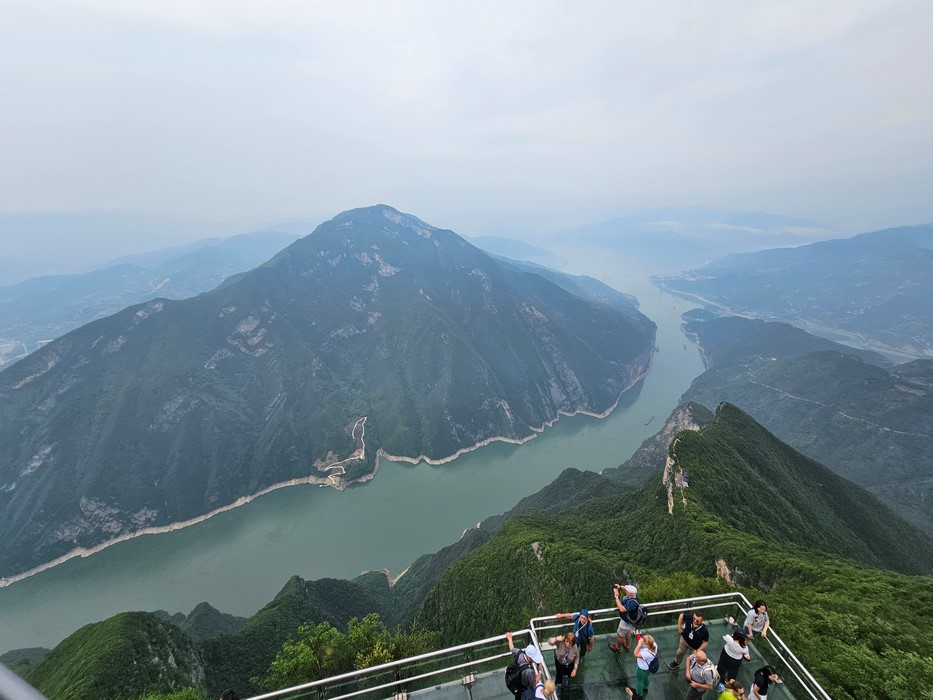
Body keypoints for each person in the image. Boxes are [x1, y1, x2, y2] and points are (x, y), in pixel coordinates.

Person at [506, 631, 544, 700]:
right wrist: (540, 671)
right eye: (533, 658)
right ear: (529, 657)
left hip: (517, 683)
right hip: (524, 691)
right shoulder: (529, 672)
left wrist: (510, 638)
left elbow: (512, 649)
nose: (535, 660)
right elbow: (535, 683)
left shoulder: (520, 654)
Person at [609, 584, 640, 652]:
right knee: (627, 632)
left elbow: (622, 609)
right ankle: (627, 645)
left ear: (631, 594)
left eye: (627, 591)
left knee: (620, 635)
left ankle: (618, 648)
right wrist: (620, 587)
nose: (625, 591)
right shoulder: (634, 597)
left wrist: (616, 597)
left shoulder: (632, 604)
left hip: (626, 622)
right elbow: (625, 589)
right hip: (629, 622)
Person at [632, 634, 658, 699]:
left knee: (639, 681)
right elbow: (642, 641)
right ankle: (645, 687)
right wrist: (638, 635)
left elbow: (635, 653)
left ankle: (639, 693)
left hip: (642, 669)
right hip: (647, 668)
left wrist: (639, 644)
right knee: (646, 678)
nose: (642, 641)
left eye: (644, 641)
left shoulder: (647, 653)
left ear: (646, 644)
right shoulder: (653, 644)